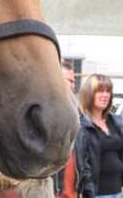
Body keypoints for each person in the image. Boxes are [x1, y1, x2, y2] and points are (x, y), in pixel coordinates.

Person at [75, 74, 123, 198]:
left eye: (108, 91)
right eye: (100, 91)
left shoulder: (115, 122)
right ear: (89, 94)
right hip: (97, 194)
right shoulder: (82, 126)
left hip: (117, 192)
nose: (105, 95)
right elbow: (83, 166)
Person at [53, 60, 78, 198]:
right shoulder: (43, 118)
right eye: (68, 80)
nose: (72, 85)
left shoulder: (79, 119)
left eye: (73, 81)